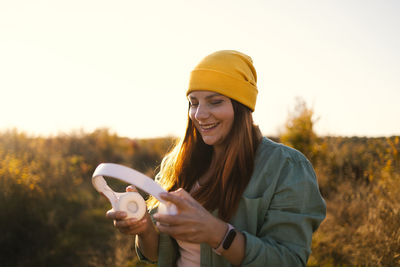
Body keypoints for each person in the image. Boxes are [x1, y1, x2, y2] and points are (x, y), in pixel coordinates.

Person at [106, 50, 326, 266]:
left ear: (242, 106)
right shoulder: (178, 165)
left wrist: (218, 233)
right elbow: (158, 254)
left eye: (215, 101)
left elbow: (289, 260)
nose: (200, 114)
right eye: (194, 102)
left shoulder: (285, 167)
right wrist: (144, 230)